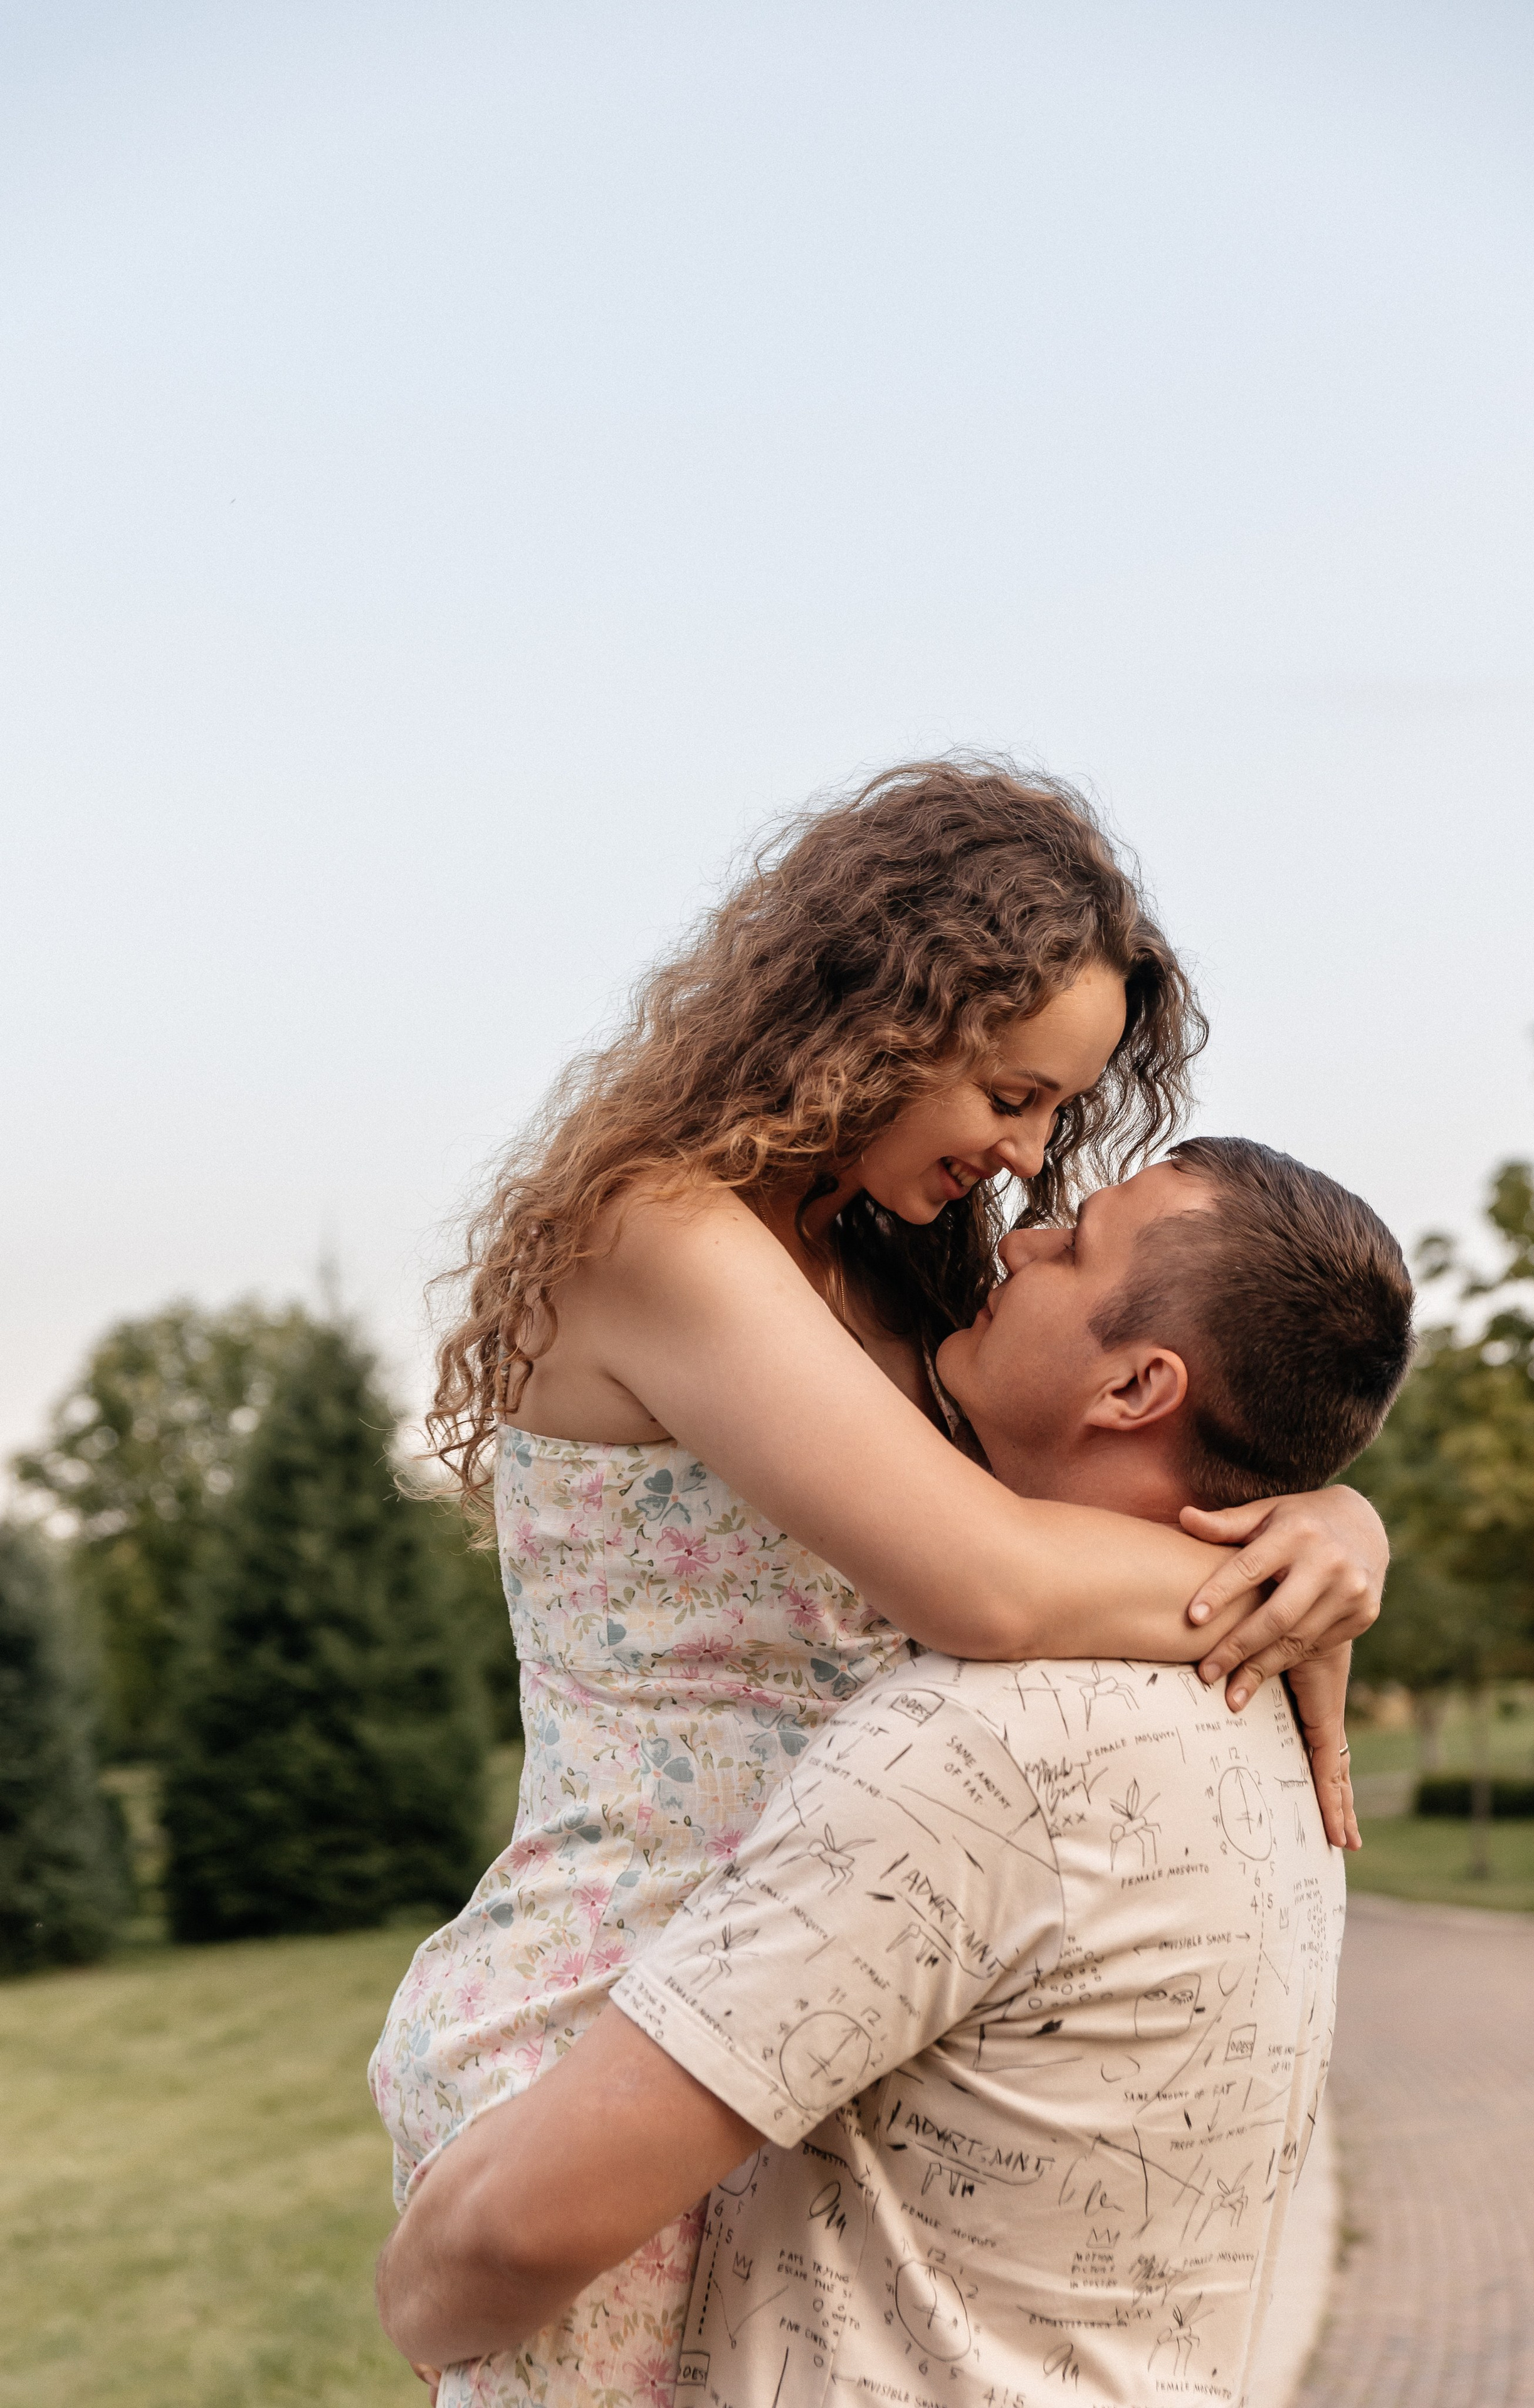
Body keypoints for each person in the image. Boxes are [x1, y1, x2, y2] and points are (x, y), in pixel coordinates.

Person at [367, 761, 1388, 2407]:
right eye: (1008, 1089)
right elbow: (990, 1583)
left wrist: (1334, 1518)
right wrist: (1296, 1574)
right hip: (612, 2021)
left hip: (808, 1995)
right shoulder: (667, 1238)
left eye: (1061, 1107)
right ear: (873, 1021)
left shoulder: (892, 1269)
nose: (1026, 1153)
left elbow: (1096, 1483)